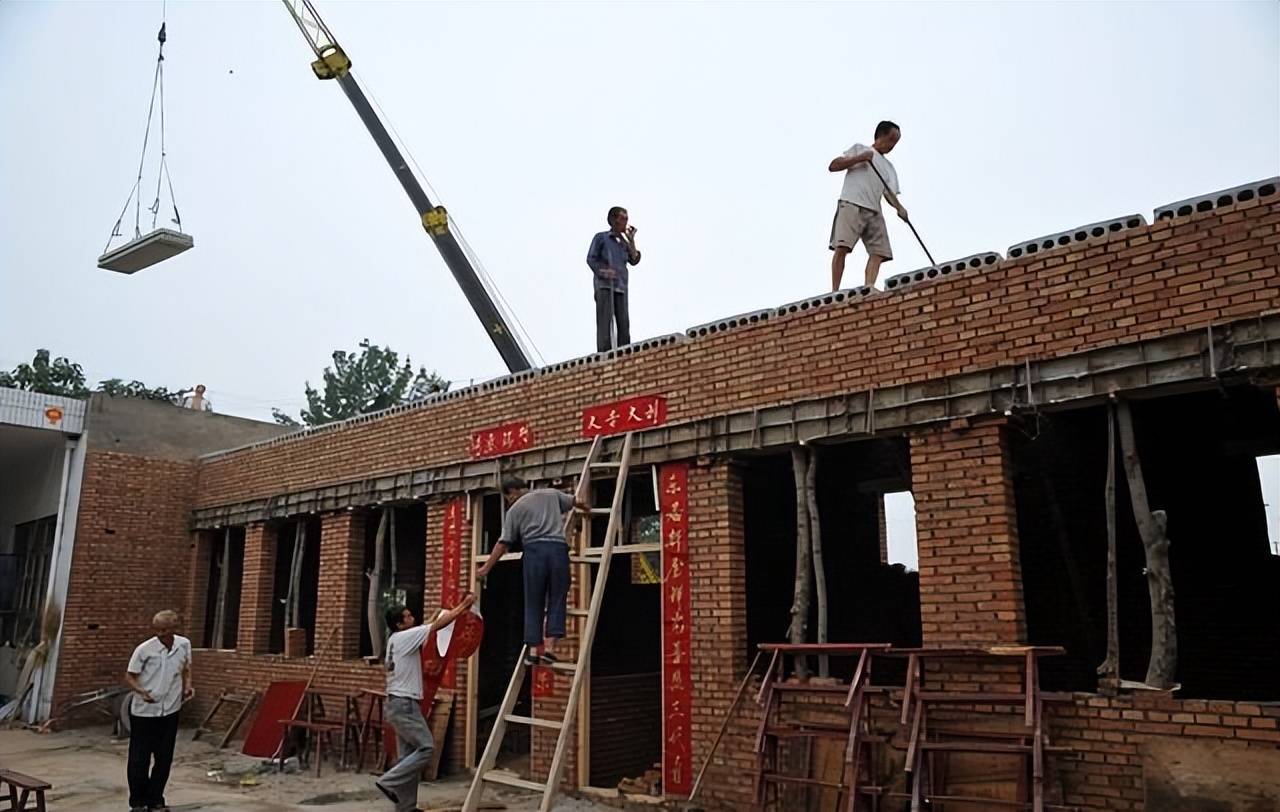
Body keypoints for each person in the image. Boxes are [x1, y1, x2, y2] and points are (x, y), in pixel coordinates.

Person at [375, 594, 477, 812]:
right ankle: (388, 781)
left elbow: (428, 625)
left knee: (408, 757)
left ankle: (406, 807)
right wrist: (463, 607)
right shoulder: (405, 637)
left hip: (396, 703)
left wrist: (436, 615)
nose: (412, 617)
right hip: (405, 704)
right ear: (400, 624)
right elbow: (437, 626)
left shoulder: (396, 639)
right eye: (408, 616)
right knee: (427, 748)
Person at [475, 478, 587, 665]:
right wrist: (587, 510)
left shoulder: (515, 509)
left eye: (508, 497)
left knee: (533, 600)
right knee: (557, 598)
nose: (509, 501)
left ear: (513, 491)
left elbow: (503, 543)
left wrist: (486, 567)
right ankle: (550, 647)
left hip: (534, 552)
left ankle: (534, 649)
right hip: (558, 551)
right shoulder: (551, 494)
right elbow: (575, 501)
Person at [123, 610, 193, 812]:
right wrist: (141, 691)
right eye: (158, 630)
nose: (161, 634)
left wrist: (188, 685)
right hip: (145, 711)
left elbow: (187, 667)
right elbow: (130, 676)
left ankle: (156, 798)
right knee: (139, 758)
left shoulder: (183, 645)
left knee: (164, 757)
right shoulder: (145, 650)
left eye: (165, 630)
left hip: (170, 708)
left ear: (173, 629)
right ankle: (138, 801)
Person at [827, 120, 910, 291]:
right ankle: (834, 291)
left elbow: (889, 193)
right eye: (891, 139)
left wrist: (899, 208)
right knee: (842, 246)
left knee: (879, 251)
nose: (892, 145)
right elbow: (833, 166)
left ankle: (869, 287)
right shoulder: (860, 149)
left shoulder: (888, 167)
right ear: (880, 135)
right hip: (852, 203)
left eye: (896, 142)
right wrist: (860, 158)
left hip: (874, 209)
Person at [586, 206, 641, 352]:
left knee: (623, 323)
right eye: (623, 218)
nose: (625, 222)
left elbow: (634, 259)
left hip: (621, 287)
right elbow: (591, 259)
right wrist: (604, 272)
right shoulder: (601, 238)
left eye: (626, 219)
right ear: (613, 220)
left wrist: (631, 240)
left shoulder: (623, 243)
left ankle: (624, 353)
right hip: (605, 286)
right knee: (605, 322)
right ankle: (604, 354)